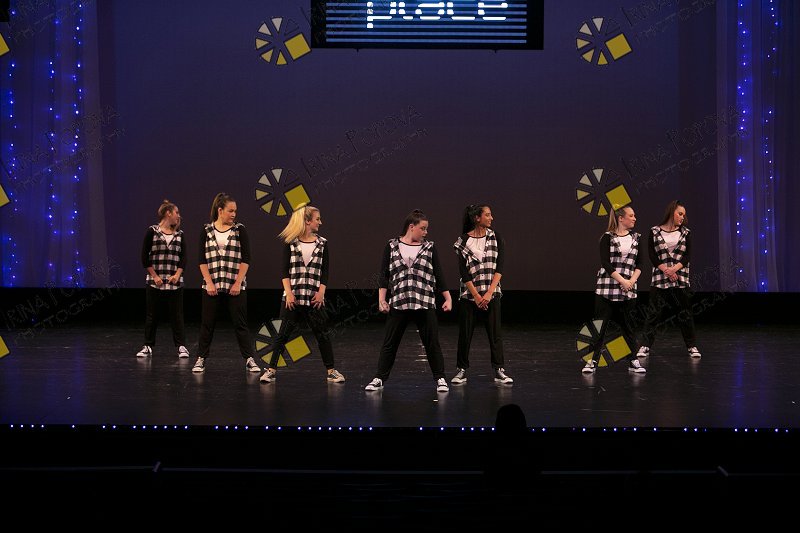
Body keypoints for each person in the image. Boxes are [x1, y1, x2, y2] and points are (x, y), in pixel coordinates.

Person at [364, 209, 453, 393]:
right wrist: (382, 299)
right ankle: (379, 378)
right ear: (411, 227)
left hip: (424, 302)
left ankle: (440, 378)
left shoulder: (429, 247)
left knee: (432, 343)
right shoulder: (392, 246)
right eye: (423, 228)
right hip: (399, 302)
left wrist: (447, 297)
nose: (426, 232)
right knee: (390, 343)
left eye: (426, 229)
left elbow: (439, 273)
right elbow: (384, 275)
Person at [260, 205, 345, 384]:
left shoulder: (322, 243)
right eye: (317, 219)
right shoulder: (290, 242)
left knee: (322, 334)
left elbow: (325, 271)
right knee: (282, 335)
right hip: (293, 297)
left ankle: (331, 371)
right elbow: (284, 271)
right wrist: (289, 293)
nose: (320, 222)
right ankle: (271, 370)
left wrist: (321, 293)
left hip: (314, 298)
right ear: (307, 221)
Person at [192, 193, 260, 374]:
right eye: (230, 211)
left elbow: (246, 259)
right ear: (220, 210)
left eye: (235, 211)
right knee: (207, 324)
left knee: (240, 324)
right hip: (212, 285)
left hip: (234, 285)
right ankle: (201, 358)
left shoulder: (239, 230)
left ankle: (249, 359)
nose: (234, 214)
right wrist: (209, 283)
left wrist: (238, 282)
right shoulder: (206, 230)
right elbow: (201, 259)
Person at [451, 204, 512, 384]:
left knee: (495, 334)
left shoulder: (496, 237)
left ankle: (499, 369)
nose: (491, 218)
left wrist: (489, 293)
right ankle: (461, 370)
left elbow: (499, 267)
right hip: (470, 295)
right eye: (487, 215)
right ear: (477, 218)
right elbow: (464, 273)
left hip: (491, 294)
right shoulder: (463, 241)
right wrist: (477, 296)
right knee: (465, 333)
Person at [582, 205, 646, 374]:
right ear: (620, 218)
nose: (634, 218)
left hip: (628, 289)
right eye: (631, 215)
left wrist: (631, 281)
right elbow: (606, 263)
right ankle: (592, 360)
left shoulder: (637, 238)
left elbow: (640, 263)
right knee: (600, 326)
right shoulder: (607, 237)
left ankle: (633, 360)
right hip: (607, 289)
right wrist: (622, 281)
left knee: (629, 327)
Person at [637, 200, 701, 359]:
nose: (682, 217)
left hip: (681, 278)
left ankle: (691, 346)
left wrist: (674, 269)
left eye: (684, 215)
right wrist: (666, 269)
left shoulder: (686, 232)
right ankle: (645, 345)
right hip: (660, 277)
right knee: (654, 313)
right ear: (672, 213)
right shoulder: (654, 231)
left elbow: (687, 256)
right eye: (680, 214)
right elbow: (652, 255)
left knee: (685, 313)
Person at [136, 199, 188, 358]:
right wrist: (155, 276)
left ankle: (181, 346)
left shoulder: (180, 234)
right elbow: (144, 257)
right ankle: (147, 345)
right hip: (155, 282)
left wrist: (177, 275)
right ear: (168, 213)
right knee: (152, 315)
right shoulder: (152, 231)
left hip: (174, 282)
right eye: (176, 213)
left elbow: (183, 258)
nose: (179, 216)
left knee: (177, 316)